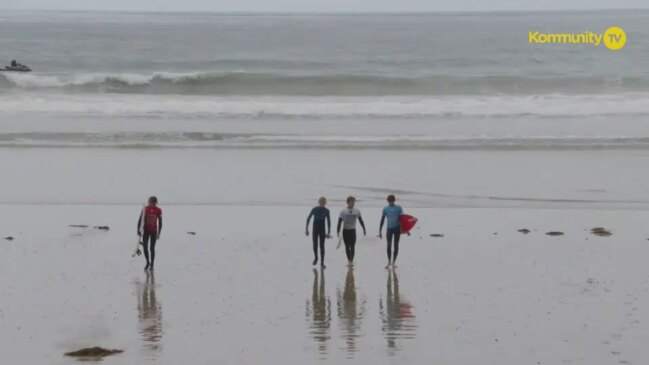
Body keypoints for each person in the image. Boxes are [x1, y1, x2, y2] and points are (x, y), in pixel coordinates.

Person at [337, 196, 366, 267]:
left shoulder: (357, 211)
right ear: (348, 202)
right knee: (347, 246)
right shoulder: (343, 211)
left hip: (353, 230)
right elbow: (339, 222)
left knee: (352, 246)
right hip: (345, 231)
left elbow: (360, 220)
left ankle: (351, 261)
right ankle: (349, 261)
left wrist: (364, 228)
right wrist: (337, 231)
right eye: (352, 202)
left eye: (354, 202)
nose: (353, 203)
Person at [137, 196, 163, 271]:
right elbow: (140, 220)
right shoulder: (145, 209)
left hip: (154, 232)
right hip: (146, 231)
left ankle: (152, 265)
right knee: (145, 248)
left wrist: (159, 233)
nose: (151, 204)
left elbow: (160, 223)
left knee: (152, 248)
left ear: (155, 203)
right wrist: (138, 230)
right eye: (150, 202)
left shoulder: (159, 210)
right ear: (149, 202)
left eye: (153, 203)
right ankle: (147, 262)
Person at [379, 195, 403, 269]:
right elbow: (382, 219)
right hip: (389, 229)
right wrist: (380, 230)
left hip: (397, 229)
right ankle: (389, 261)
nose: (391, 203)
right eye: (390, 201)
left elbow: (402, 219)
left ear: (394, 201)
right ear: (387, 201)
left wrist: (405, 230)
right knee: (389, 245)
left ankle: (394, 262)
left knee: (396, 245)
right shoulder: (385, 209)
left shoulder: (399, 208)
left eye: (392, 201)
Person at [306, 197, 331, 268]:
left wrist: (329, 232)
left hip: (322, 230)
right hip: (315, 229)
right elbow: (308, 218)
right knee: (315, 245)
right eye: (321, 202)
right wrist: (307, 229)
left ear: (325, 203)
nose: (322, 203)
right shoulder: (314, 209)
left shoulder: (327, 211)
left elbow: (329, 221)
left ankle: (322, 263)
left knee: (322, 246)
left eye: (323, 202)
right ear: (319, 202)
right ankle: (316, 258)